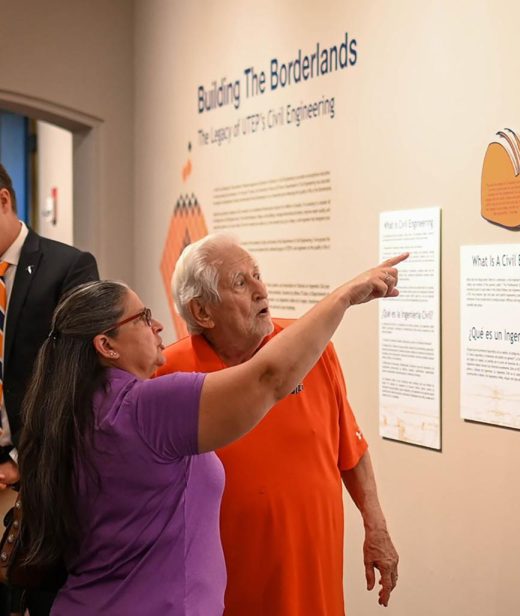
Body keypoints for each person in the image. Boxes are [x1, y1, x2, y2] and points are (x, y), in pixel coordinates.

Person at [16, 253, 404, 615]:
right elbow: (268, 379)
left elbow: (347, 444)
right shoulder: (149, 404)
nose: (157, 325)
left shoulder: (70, 407)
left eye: (257, 275)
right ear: (106, 346)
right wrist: (344, 298)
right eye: (142, 317)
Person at [158, 234, 399, 615]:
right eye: (241, 282)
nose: (260, 289)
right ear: (202, 312)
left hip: (312, 582)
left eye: (257, 275)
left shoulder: (312, 349)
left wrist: (377, 527)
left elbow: (350, 449)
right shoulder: (169, 376)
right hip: (226, 592)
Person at [0, 162, 98, 616]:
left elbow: (77, 375)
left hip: (38, 474)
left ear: (3, 202)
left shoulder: (69, 267)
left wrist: (22, 460)